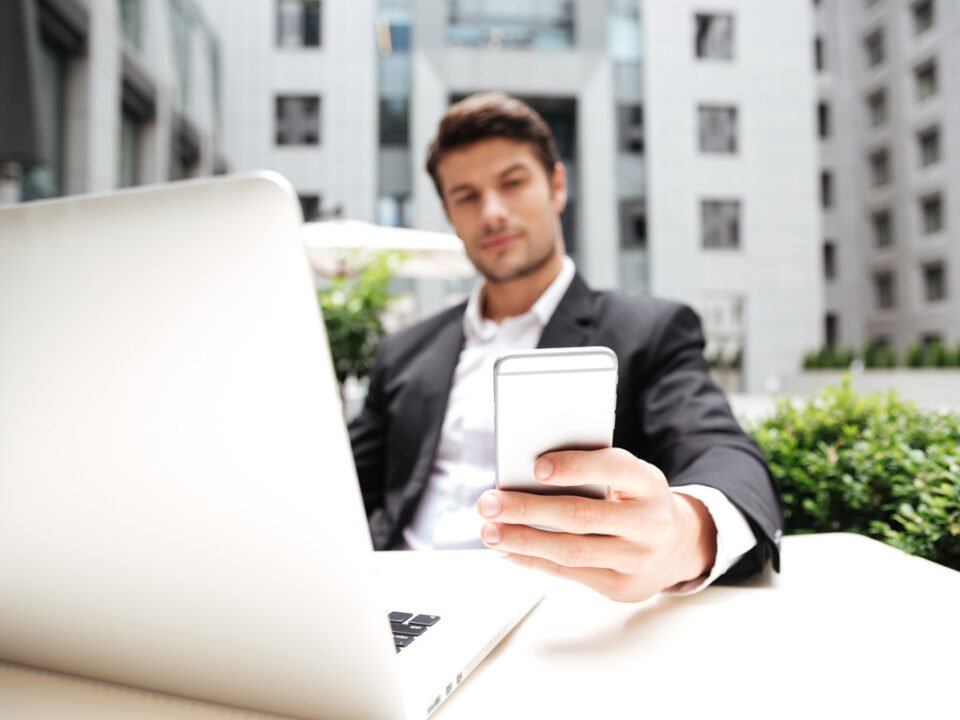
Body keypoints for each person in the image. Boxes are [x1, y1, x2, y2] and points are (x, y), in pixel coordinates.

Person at [349, 92, 781, 602]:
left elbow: (722, 451)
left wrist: (685, 536)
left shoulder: (648, 329)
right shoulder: (405, 351)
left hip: (551, 606)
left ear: (556, 186)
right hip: (394, 603)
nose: (492, 213)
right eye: (466, 196)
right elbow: (339, 487)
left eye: (512, 183)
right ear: (449, 213)